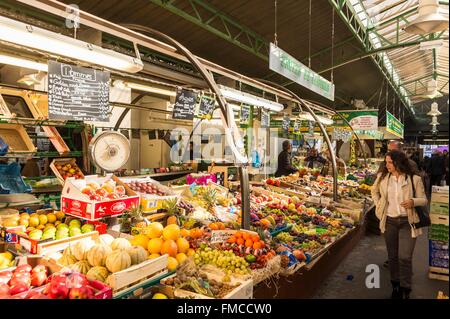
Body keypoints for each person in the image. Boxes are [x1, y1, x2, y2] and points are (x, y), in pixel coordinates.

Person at [371, 150, 428, 299]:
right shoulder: (383, 177)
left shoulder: (414, 179)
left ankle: (406, 287)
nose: (387, 165)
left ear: (399, 162)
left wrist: (413, 201)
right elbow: (374, 191)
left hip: (407, 222)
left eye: (390, 162)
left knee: (404, 257)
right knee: (393, 257)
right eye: (386, 162)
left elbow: (424, 200)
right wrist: (379, 206)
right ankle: (395, 285)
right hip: (389, 221)